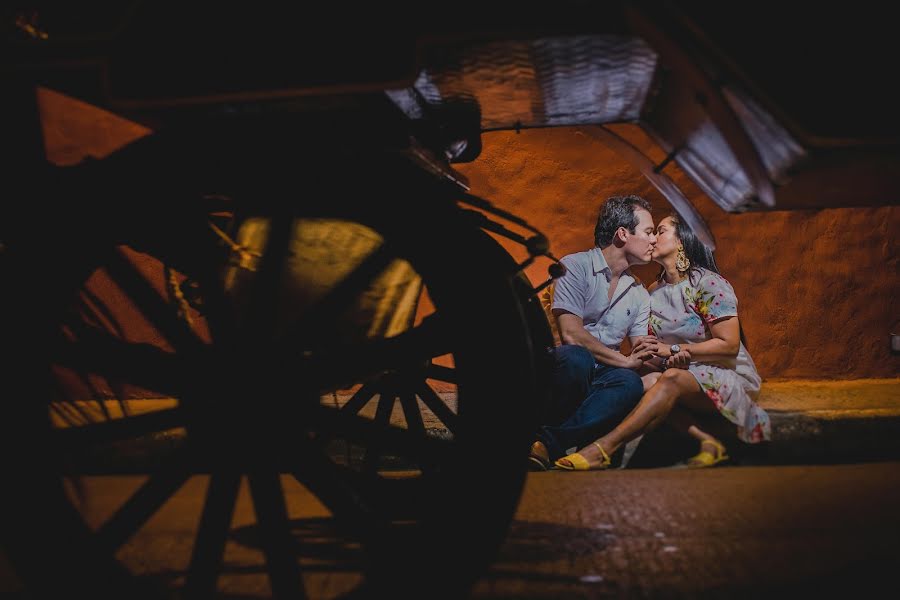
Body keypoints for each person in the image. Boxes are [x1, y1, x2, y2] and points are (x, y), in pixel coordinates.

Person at [554, 212, 771, 470]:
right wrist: (655, 357)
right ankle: (709, 441)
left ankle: (603, 449)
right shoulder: (651, 293)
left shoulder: (708, 283)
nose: (653, 238)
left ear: (682, 241)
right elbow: (656, 350)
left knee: (669, 380)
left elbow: (729, 345)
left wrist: (677, 350)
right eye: (652, 232)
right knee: (638, 379)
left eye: (660, 231)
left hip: (725, 372)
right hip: (683, 373)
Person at [528, 195, 658, 470]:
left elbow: (639, 350)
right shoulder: (574, 266)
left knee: (630, 382)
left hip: (605, 371)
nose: (654, 240)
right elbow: (571, 334)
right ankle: (560, 438)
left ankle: (547, 443)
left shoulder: (638, 293)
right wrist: (626, 361)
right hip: (564, 370)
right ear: (623, 234)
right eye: (648, 232)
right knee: (577, 358)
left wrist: (675, 356)